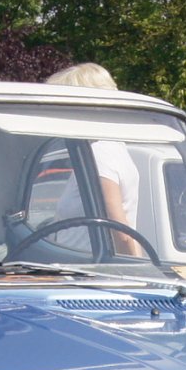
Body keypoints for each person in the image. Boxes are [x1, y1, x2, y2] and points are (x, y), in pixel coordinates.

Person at [44, 63, 140, 256]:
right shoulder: (114, 148)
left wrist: (138, 271)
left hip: (88, 271)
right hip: (89, 268)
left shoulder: (99, 154)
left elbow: (121, 232)